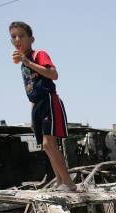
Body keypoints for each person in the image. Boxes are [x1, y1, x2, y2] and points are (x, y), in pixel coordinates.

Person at [9, 21, 77, 192]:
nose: (17, 39)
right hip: (37, 104)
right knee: (46, 146)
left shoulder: (39, 54)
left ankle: (68, 182)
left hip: (48, 100)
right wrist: (33, 113)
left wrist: (28, 62)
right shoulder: (24, 62)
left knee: (49, 143)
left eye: (21, 35)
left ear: (31, 39)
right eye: (13, 36)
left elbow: (54, 74)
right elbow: (31, 87)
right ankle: (60, 180)